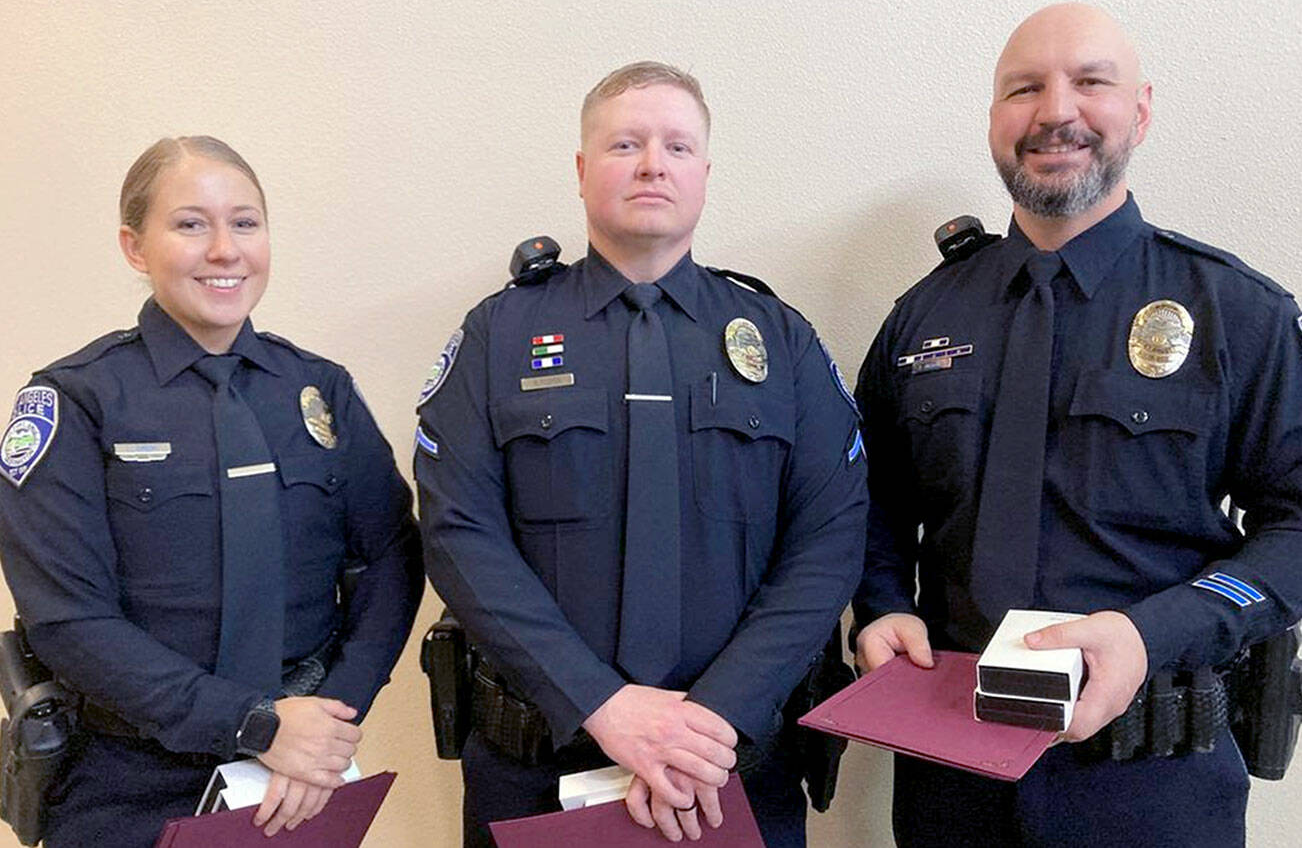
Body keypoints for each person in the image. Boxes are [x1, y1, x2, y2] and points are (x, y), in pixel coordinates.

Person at [852, 2, 1302, 847]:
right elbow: (868, 497)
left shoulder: (1237, 313)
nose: (1056, 111)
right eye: (1025, 89)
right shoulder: (923, 317)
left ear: (1140, 110)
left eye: (1090, 83)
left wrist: (1151, 633)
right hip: (950, 781)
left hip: (1154, 784)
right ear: (995, 121)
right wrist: (880, 604)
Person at [416, 61, 866, 847]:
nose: (654, 162)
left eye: (678, 146)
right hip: (537, 769)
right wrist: (601, 703)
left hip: (730, 768)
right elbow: (460, 536)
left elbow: (830, 539)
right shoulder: (498, 335)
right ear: (583, 171)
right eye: (626, 143)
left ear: (705, 173)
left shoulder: (781, 341)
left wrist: (715, 717)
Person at [0, 136, 424, 847]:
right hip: (126, 781)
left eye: (246, 222)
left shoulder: (318, 389)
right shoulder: (74, 400)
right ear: (136, 247)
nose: (225, 249)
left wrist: (327, 723)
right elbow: (67, 618)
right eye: (191, 224)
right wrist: (253, 726)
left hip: (298, 780)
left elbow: (391, 557)